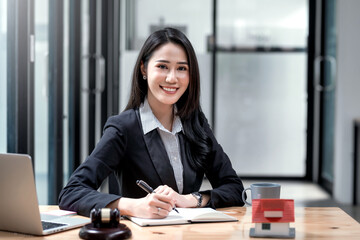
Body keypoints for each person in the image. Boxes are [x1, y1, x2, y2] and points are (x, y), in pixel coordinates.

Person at [59, 27, 245, 218]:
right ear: (144, 69)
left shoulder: (195, 123)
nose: (172, 78)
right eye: (162, 66)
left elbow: (234, 189)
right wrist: (131, 206)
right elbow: (71, 193)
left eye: (182, 68)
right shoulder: (123, 128)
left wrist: (191, 199)